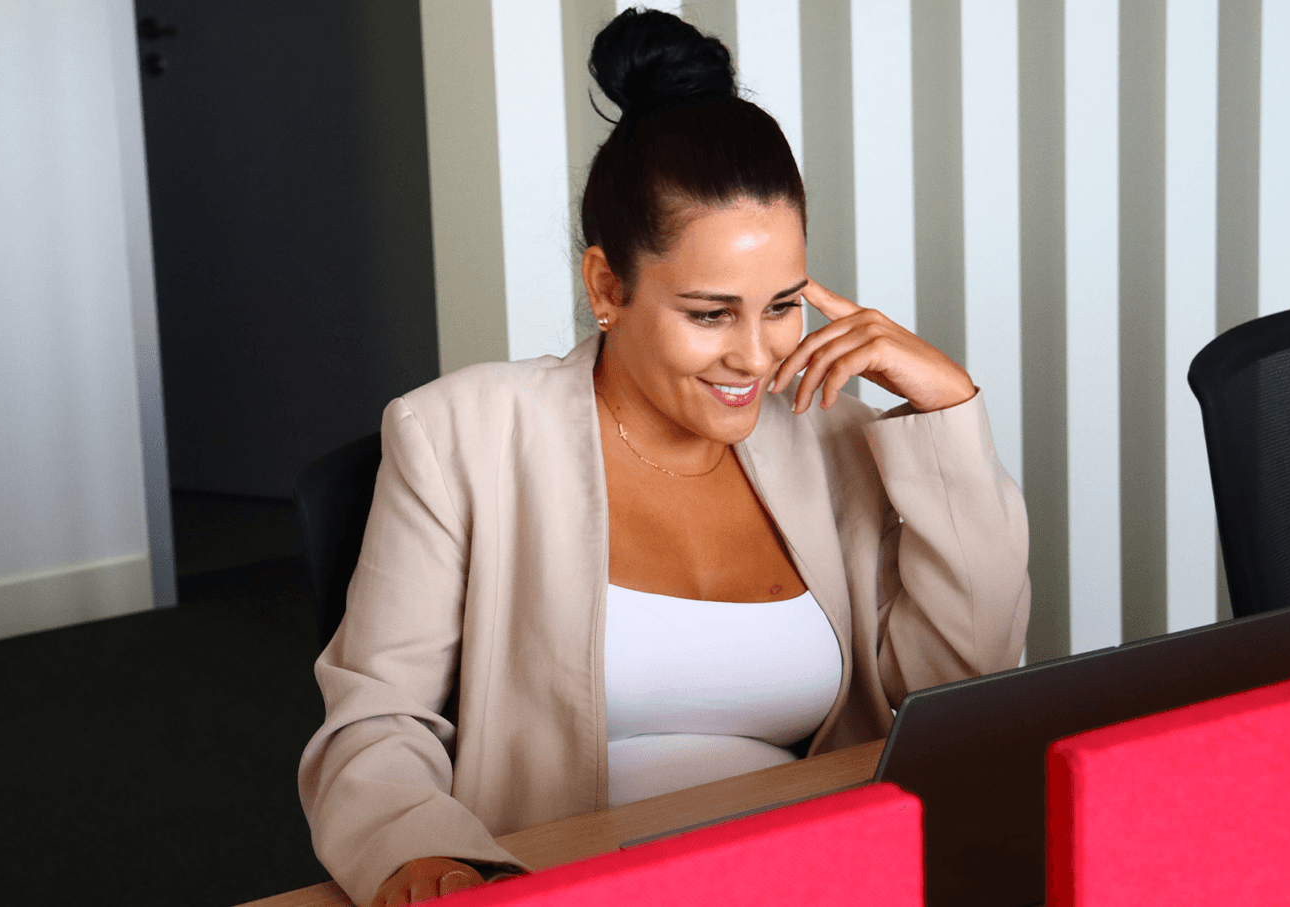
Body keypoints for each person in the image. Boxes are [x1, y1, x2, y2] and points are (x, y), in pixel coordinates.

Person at [298, 9, 1030, 906]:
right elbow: (376, 722)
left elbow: (961, 693)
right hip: (568, 877)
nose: (757, 358)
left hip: (813, 873)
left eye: (783, 305)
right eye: (710, 313)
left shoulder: (832, 434)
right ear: (608, 286)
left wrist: (948, 410)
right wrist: (421, 858)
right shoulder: (461, 435)